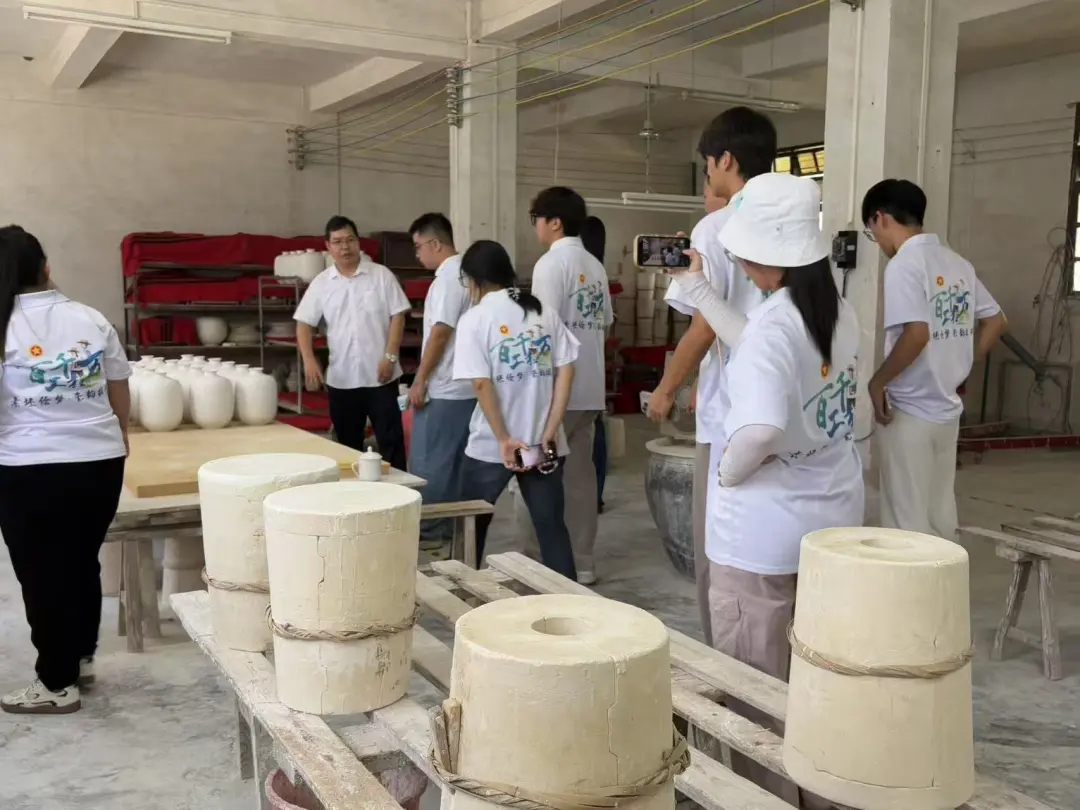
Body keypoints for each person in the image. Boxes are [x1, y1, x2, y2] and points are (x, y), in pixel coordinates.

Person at [669, 174, 863, 806]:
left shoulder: (776, 326)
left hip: (761, 544)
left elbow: (759, 428)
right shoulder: (835, 311)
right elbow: (760, 341)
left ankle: (769, 798)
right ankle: (821, 793)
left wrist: (727, 471)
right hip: (829, 522)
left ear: (762, 255)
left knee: (759, 695)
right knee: (814, 682)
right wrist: (701, 291)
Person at [647, 106, 776, 641]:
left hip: (731, 415)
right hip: (786, 410)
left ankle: (725, 657)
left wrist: (666, 388)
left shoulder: (717, 227)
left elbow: (704, 325)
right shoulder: (790, 224)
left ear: (725, 160)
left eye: (707, 164)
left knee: (720, 544)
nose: (707, 174)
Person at [0, 225, 131, 715]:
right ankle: (78, 657)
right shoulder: (90, 318)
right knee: (80, 561)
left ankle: (56, 684)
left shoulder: (4, 326)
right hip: (99, 462)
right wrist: (119, 439)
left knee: (41, 574)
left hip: (28, 468)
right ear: (46, 268)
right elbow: (118, 387)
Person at [862, 179, 1006, 538]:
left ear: (881, 218)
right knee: (940, 513)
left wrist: (877, 382)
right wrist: (961, 360)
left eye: (871, 232)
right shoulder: (957, 263)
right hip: (947, 411)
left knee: (905, 522)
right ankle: (945, 574)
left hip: (909, 413)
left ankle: (913, 578)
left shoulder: (903, 265)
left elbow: (917, 334)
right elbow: (996, 321)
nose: (877, 242)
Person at [452, 240, 579, 579]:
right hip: (542, 444)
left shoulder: (476, 319)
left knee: (470, 526)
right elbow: (567, 370)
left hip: (491, 446)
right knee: (551, 527)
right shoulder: (542, 311)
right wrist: (551, 429)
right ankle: (572, 599)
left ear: (472, 280)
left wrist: (504, 439)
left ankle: (460, 589)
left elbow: (482, 384)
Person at [527, 187, 612, 585]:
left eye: (537, 220)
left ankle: (532, 562)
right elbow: (603, 323)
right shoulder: (595, 266)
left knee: (536, 477)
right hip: (591, 386)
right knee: (580, 478)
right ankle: (583, 562)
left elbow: (543, 331)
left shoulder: (550, 264)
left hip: (558, 392)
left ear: (554, 222)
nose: (536, 228)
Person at [296, 215, 411, 470]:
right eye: (337, 242)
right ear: (328, 246)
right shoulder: (322, 283)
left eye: (350, 240)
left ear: (359, 242)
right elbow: (303, 323)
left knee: (391, 443)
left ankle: (399, 490)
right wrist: (309, 360)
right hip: (342, 380)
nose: (344, 247)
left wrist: (390, 356)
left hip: (381, 376)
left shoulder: (381, 276)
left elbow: (398, 316)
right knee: (347, 449)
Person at [408, 213, 475, 544]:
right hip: (469, 386)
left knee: (430, 461)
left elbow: (440, 333)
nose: (417, 254)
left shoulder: (449, 278)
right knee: (457, 462)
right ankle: (453, 527)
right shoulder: (470, 275)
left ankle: (432, 530)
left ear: (435, 244)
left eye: (418, 247)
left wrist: (420, 379)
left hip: (446, 386)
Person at [580, 215, 609, 512]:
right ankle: (596, 495)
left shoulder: (566, 267)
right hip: (595, 370)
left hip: (573, 374)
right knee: (596, 433)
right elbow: (607, 325)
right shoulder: (599, 271)